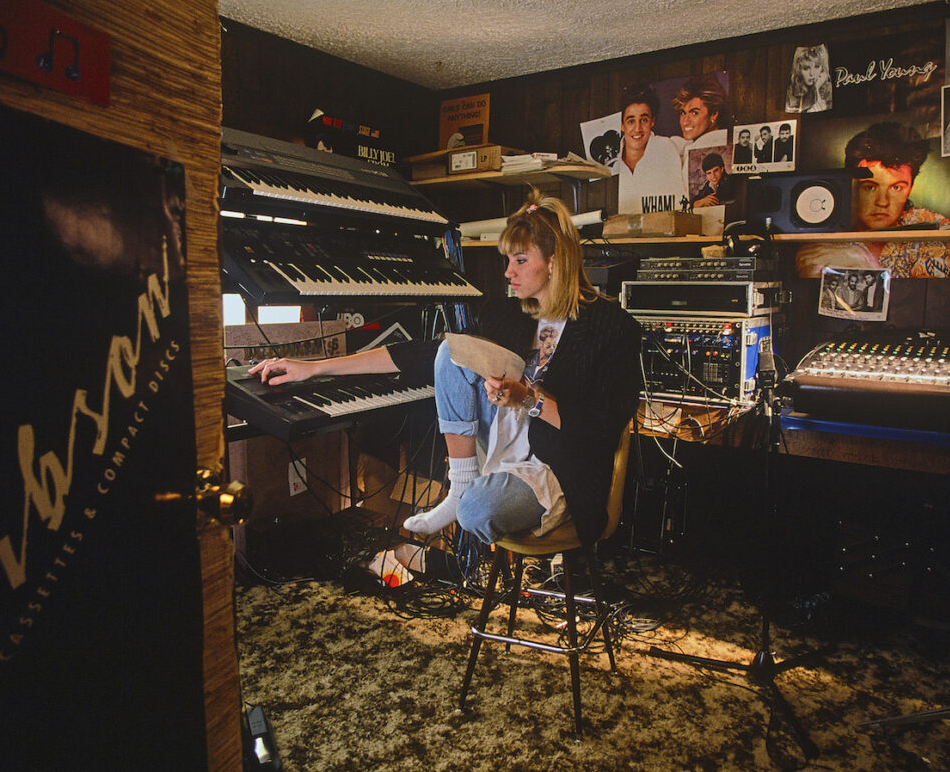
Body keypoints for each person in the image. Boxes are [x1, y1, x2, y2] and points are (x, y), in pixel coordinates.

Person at [248, 190, 641, 548]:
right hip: (499, 453)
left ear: (554, 263)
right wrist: (313, 368)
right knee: (449, 352)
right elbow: (420, 355)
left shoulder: (611, 328)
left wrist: (531, 399)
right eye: (508, 261)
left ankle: (468, 499)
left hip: (558, 472)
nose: (508, 272)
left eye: (520, 261)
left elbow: (600, 429)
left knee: (476, 513)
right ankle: (461, 485)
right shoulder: (506, 315)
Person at [795, 121, 950, 278]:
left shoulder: (935, 229)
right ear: (851, 185)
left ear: (911, 188)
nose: (882, 202)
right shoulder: (824, 229)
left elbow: (925, 299)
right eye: (870, 187)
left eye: (896, 187)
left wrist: (861, 261)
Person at [615, 84, 685, 214]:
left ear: (652, 122)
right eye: (631, 121)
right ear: (622, 125)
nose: (637, 129)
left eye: (644, 120)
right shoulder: (610, 156)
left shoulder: (666, 148)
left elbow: (678, 202)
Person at [670, 74, 730, 151]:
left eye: (694, 113)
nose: (685, 122)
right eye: (683, 113)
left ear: (713, 114)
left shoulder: (706, 148)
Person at [785, 44, 832, 113]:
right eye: (806, 68)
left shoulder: (828, 91)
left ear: (822, 68)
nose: (812, 74)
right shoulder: (791, 93)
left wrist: (816, 88)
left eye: (817, 67)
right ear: (799, 70)